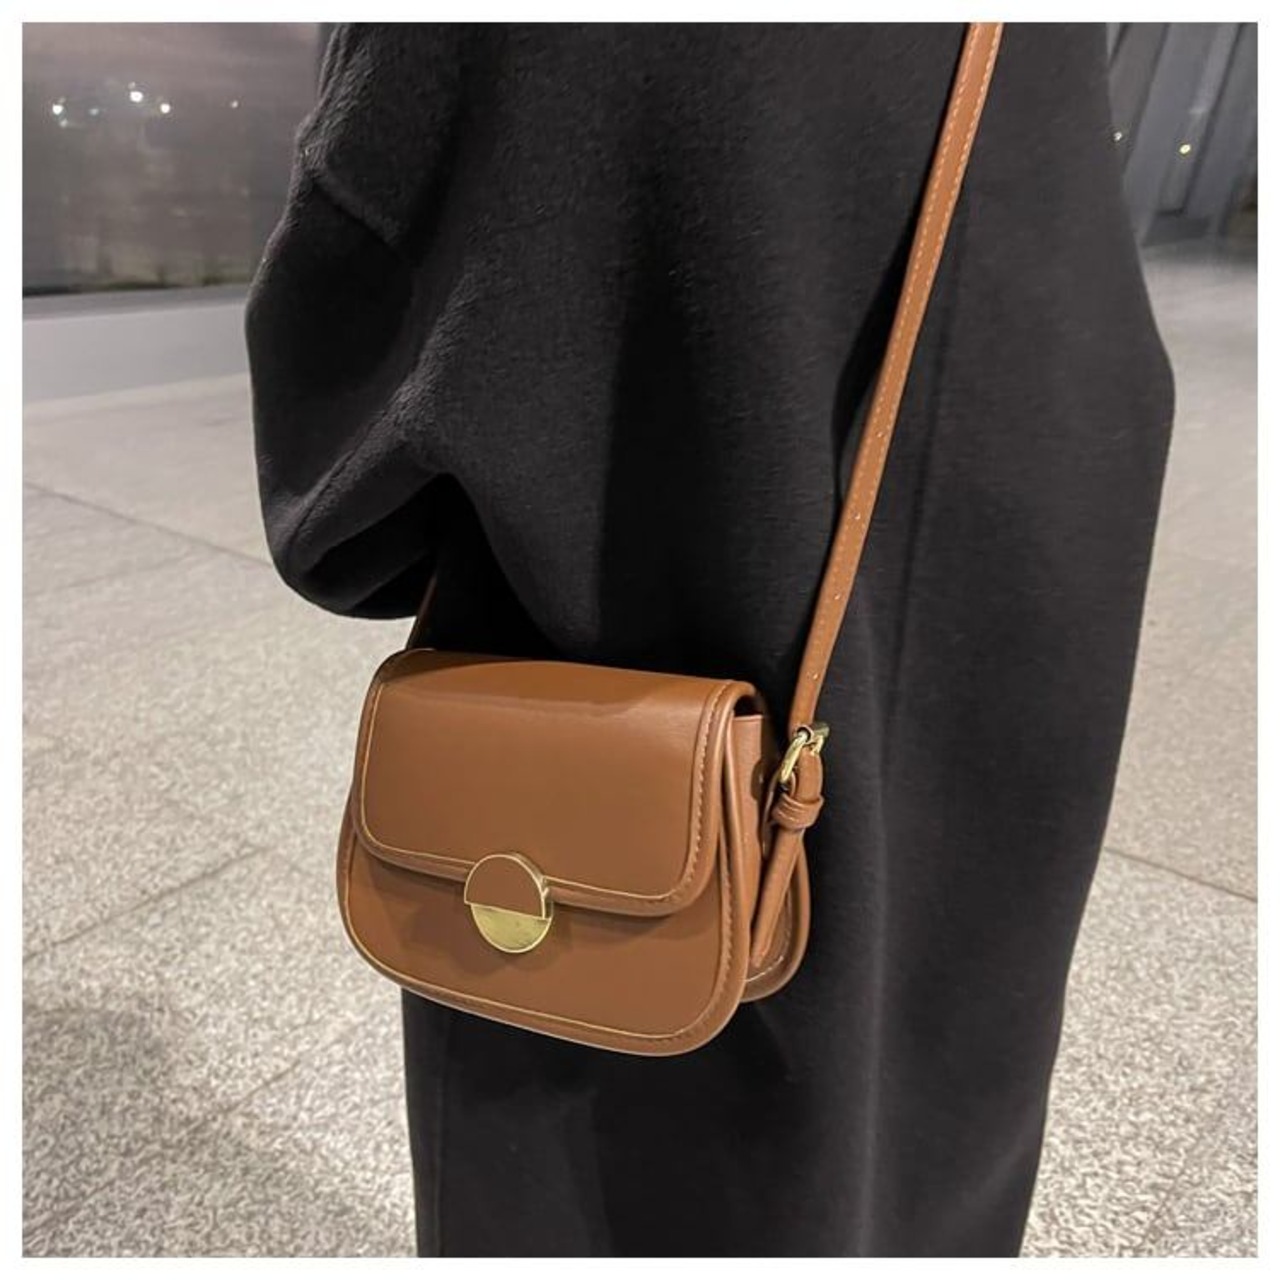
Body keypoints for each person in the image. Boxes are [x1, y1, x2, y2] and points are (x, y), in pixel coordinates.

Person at [246, 23, 1174, 1257]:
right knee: (917, 1164)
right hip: (1007, 729)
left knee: (614, 1186)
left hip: (608, 786)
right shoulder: (1042, 43)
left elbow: (336, 498)